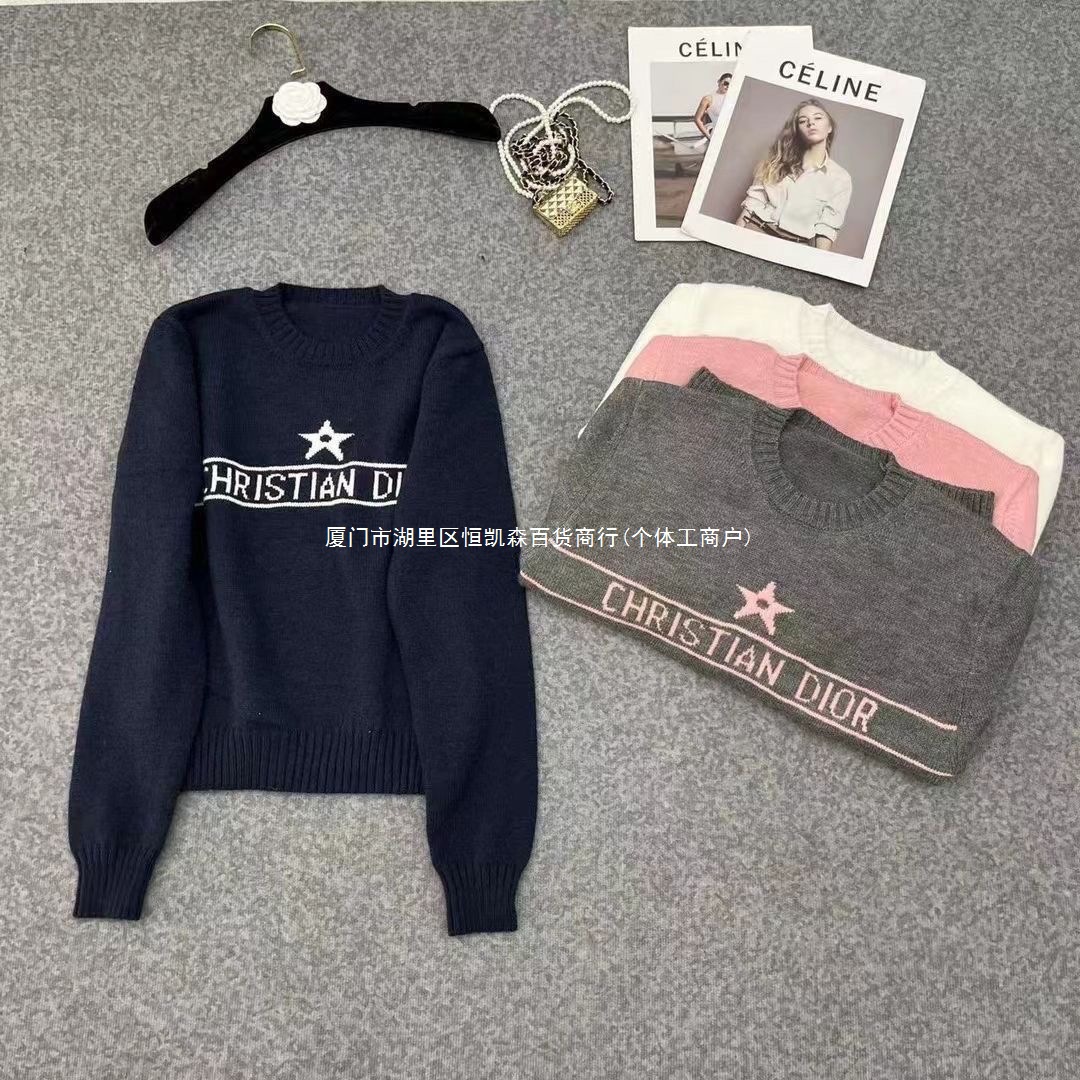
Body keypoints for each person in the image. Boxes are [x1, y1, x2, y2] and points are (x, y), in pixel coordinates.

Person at [735, 98, 852, 251]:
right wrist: (733, 240)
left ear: (829, 127)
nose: (811, 123)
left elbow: (827, 228)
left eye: (818, 118)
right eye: (803, 121)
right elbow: (752, 204)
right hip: (755, 231)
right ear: (797, 130)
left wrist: (818, 262)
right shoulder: (775, 162)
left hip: (796, 248)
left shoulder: (840, 178)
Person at [693, 73, 733, 139]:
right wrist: (709, 137)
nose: (727, 86)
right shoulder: (708, 98)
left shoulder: (732, 98)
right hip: (717, 135)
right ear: (719, 82)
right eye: (726, 83)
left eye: (730, 84)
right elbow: (697, 119)